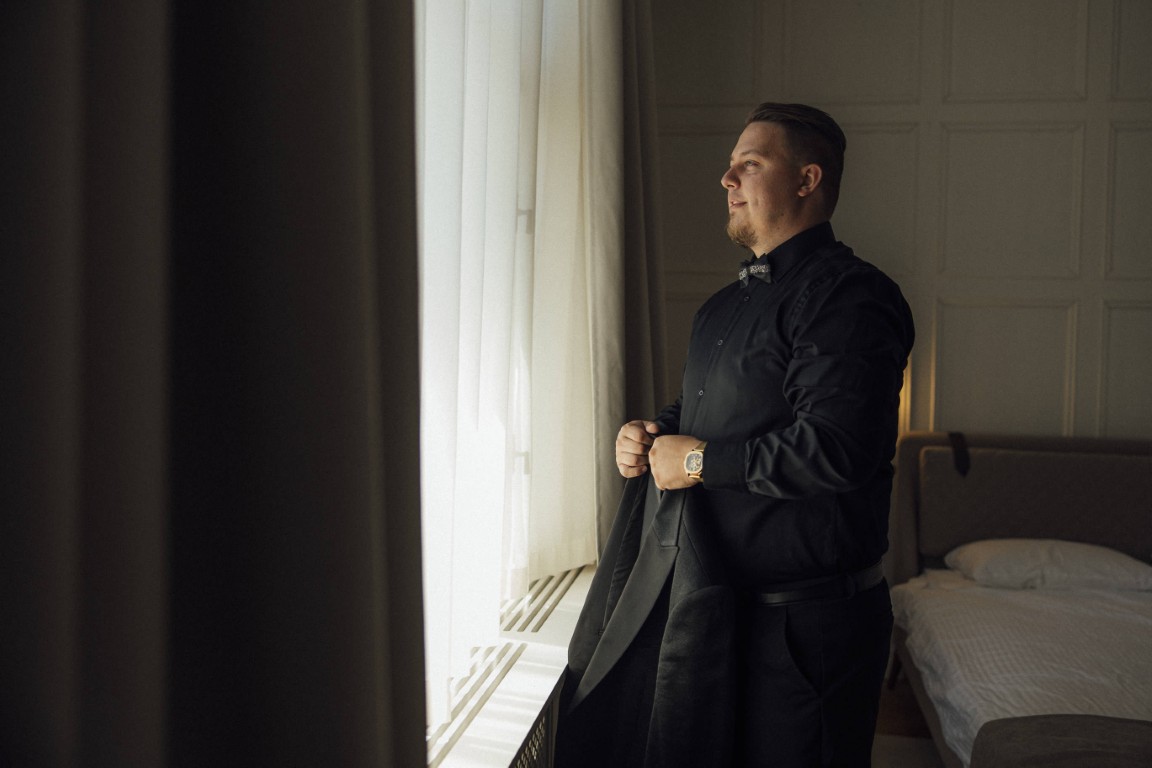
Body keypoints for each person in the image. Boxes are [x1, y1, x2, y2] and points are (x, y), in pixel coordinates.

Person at [555, 102, 915, 767]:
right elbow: (707, 415)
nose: (727, 179)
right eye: (730, 166)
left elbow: (838, 449)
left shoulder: (852, 297)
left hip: (809, 631)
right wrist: (651, 434)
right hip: (714, 617)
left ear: (806, 179)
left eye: (749, 164)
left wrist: (694, 461)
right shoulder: (721, 307)